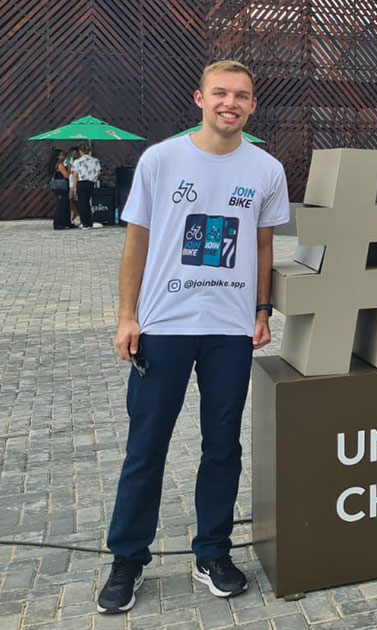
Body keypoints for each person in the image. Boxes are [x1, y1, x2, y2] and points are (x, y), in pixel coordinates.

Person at [98, 59, 289, 615]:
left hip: (230, 330)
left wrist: (261, 309)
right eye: (221, 93)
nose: (231, 103)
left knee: (222, 447)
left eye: (242, 96)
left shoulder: (266, 169)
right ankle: (128, 560)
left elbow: (260, 247)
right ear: (200, 99)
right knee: (145, 449)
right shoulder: (161, 160)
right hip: (164, 327)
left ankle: (213, 553)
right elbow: (136, 243)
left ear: (253, 106)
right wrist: (127, 315)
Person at [71, 141, 102, 229]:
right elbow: (99, 173)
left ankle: (85, 222)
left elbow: (75, 175)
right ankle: (89, 221)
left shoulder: (78, 161)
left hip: (81, 182)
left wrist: (75, 187)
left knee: (82, 203)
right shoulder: (95, 160)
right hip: (91, 182)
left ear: (81, 151)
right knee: (87, 202)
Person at [51, 150, 73, 230]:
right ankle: (59, 223)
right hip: (62, 187)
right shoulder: (60, 165)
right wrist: (70, 170)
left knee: (64, 205)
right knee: (61, 205)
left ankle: (65, 222)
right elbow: (66, 175)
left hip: (60, 187)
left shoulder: (57, 164)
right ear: (58, 157)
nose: (64, 157)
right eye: (62, 155)